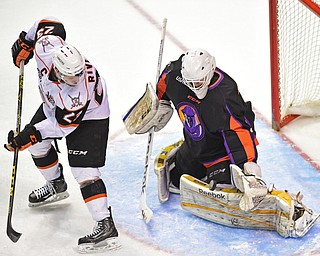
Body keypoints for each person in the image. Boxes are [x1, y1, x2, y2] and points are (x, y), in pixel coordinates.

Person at [129, 48, 318, 237]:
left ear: (210, 71)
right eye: (190, 81)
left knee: (228, 190)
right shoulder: (174, 75)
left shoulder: (225, 93)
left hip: (221, 155)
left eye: (199, 81)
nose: (195, 85)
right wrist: (158, 104)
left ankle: (281, 203)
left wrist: (249, 169)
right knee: (177, 179)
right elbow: (163, 83)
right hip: (194, 146)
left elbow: (240, 131)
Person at [5, 17, 120, 252]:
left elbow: (62, 127)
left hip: (90, 116)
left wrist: (31, 133)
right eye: (70, 75)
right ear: (57, 67)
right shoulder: (46, 46)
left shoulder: (77, 94)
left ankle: (105, 224)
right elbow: (45, 24)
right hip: (53, 105)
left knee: (83, 169)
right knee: (37, 147)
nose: (75, 79)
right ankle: (55, 184)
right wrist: (25, 41)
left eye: (78, 74)